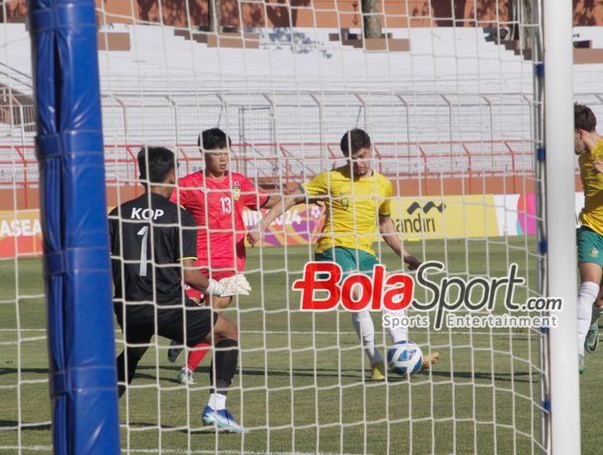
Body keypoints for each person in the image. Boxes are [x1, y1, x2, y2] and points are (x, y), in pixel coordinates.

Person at [248, 129, 438, 380]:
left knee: (392, 292)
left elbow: (384, 224)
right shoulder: (331, 179)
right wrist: (262, 225)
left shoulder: (383, 184)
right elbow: (291, 198)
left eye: (362, 156)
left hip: (364, 252)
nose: (358, 163)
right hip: (332, 249)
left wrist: (405, 254)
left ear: (371, 150)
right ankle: (377, 363)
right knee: (358, 294)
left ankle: (403, 352)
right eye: (351, 159)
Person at [109, 146, 250, 433]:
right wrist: (217, 286)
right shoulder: (180, 217)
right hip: (166, 304)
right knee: (227, 332)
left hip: (127, 303)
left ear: (141, 175)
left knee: (135, 351)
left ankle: (97, 410)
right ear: (173, 175)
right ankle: (217, 407)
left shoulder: (117, 214)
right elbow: (189, 274)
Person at [167, 128, 280, 385]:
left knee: (217, 307)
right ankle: (185, 344)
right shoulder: (189, 184)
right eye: (217, 153)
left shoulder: (240, 183)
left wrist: (297, 198)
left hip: (232, 259)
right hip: (200, 260)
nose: (223, 158)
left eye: (226, 152)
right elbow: (166, 205)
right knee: (202, 311)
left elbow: (266, 200)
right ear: (204, 154)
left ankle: (187, 364)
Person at [574, 103, 603, 372]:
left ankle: (593, 318)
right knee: (589, 287)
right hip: (591, 229)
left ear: (580, 132)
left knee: (599, 297)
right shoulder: (582, 159)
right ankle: (576, 351)